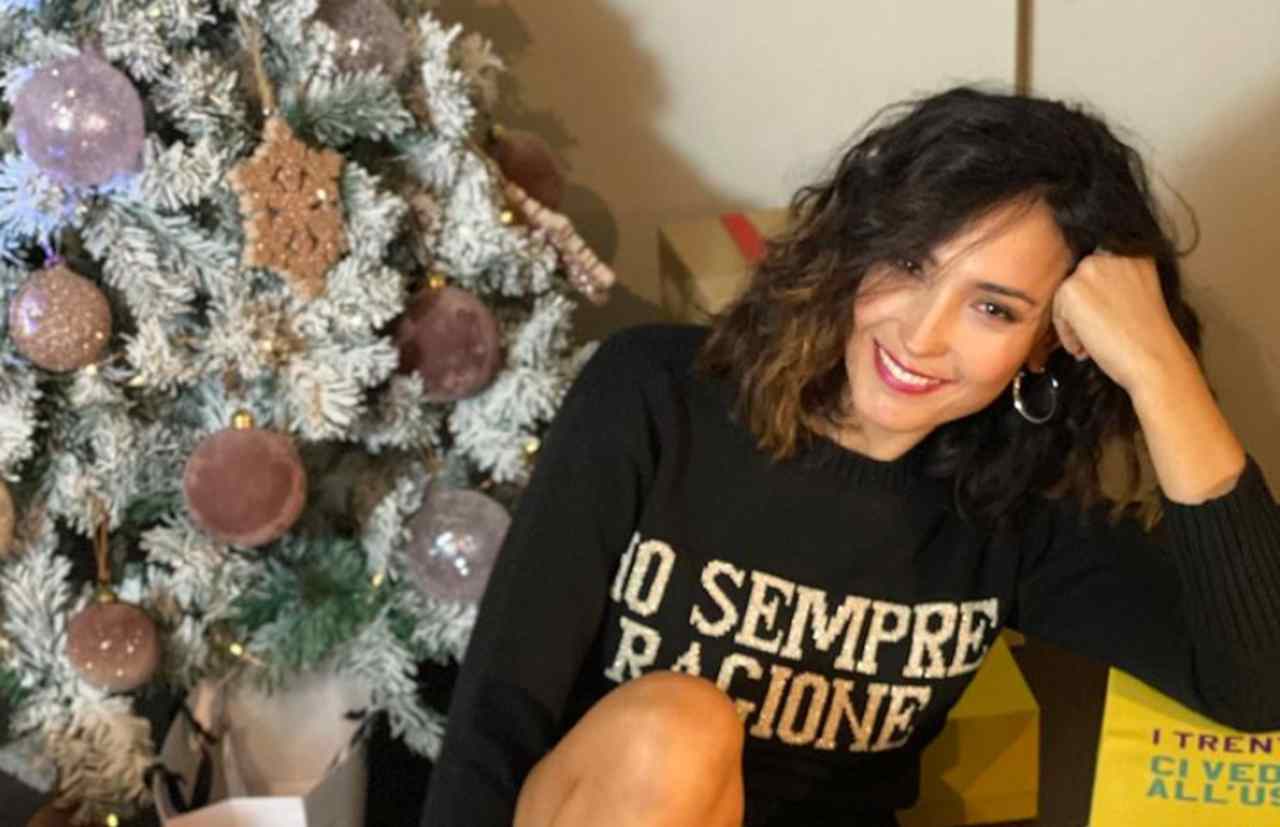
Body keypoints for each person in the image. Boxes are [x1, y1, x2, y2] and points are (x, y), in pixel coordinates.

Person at [420, 86, 1280, 827]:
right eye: (910, 262)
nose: (921, 335)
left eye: (993, 308)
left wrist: (1159, 366)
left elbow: (1259, 687)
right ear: (862, 242)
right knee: (675, 729)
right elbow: (498, 716)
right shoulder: (656, 396)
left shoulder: (1018, 508)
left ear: (1049, 342)